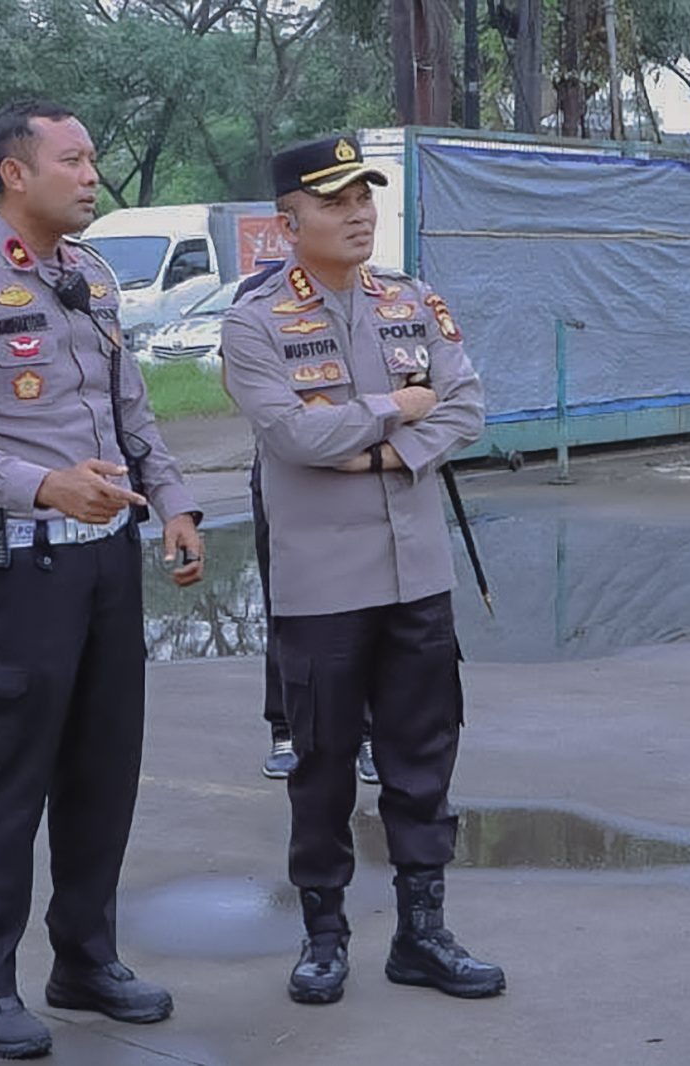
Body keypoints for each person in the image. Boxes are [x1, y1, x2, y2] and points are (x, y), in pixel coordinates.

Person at [0, 98, 204, 1059]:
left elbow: (130, 408)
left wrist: (176, 500)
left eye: (93, 158)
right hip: (16, 573)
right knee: (5, 782)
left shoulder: (91, 277)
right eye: (73, 160)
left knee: (103, 772)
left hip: (107, 567)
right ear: (13, 173)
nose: (91, 175)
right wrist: (46, 486)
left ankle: (85, 960)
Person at [220, 133, 503, 1006]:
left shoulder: (412, 302)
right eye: (336, 201)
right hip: (322, 587)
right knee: (324, 763)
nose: (358, 214)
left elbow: (468, 407)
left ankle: (423, 932)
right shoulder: (254, 321)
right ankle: (325, 934)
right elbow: (295, 436)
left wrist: (377, 450)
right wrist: (396, 408)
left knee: (424, 759)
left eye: (364, 198)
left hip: (417, 576)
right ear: (288, 220)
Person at [231, 263, 380, 787]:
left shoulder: (368, 297)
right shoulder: (257, 301)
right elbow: (258, 400)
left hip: (359, 470)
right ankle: (286, 728)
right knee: (289, 602)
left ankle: (365, 733)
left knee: (366, 605)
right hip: (286, 475)